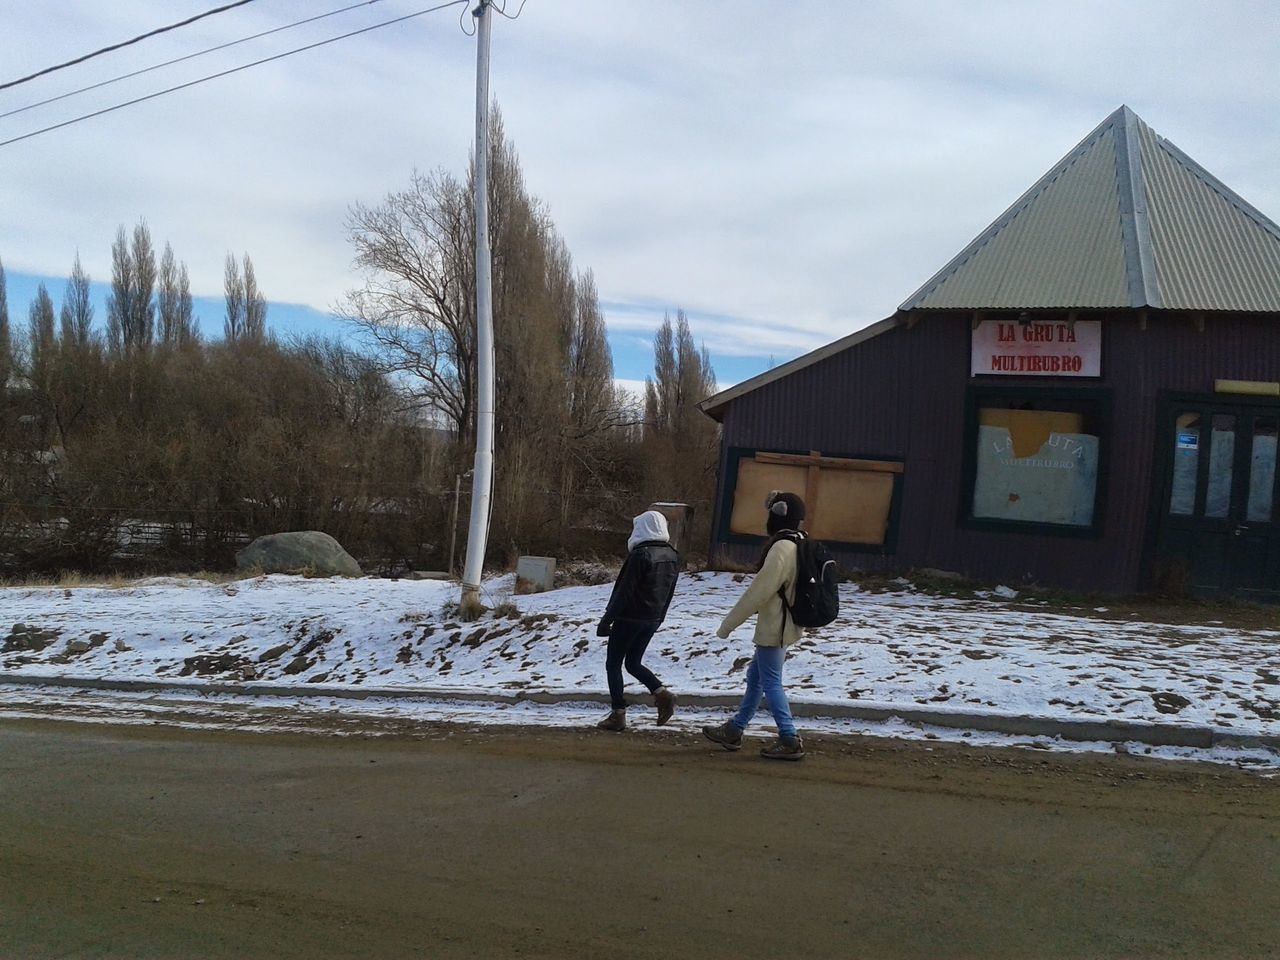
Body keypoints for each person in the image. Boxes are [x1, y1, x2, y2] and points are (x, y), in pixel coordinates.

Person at [702, 491, 807, 760]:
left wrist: (728, 625)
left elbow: (758, 593)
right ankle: (735, 730)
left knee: (771, 682)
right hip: (785, 624)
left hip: (775, 627)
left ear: (776, 516)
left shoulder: (782, 548)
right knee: (756, 678)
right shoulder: (799, 542)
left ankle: (789, 737)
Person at [595, 510, 680, 732]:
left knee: (613, 664)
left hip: (629, 617)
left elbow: (624, 591)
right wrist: (659, 618)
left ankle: (618, 713)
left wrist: (607, 620)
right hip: (652, 618)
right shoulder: (672, 555)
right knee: (633, 663)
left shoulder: (641, 555)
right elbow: (668, 591)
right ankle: (662, 695)